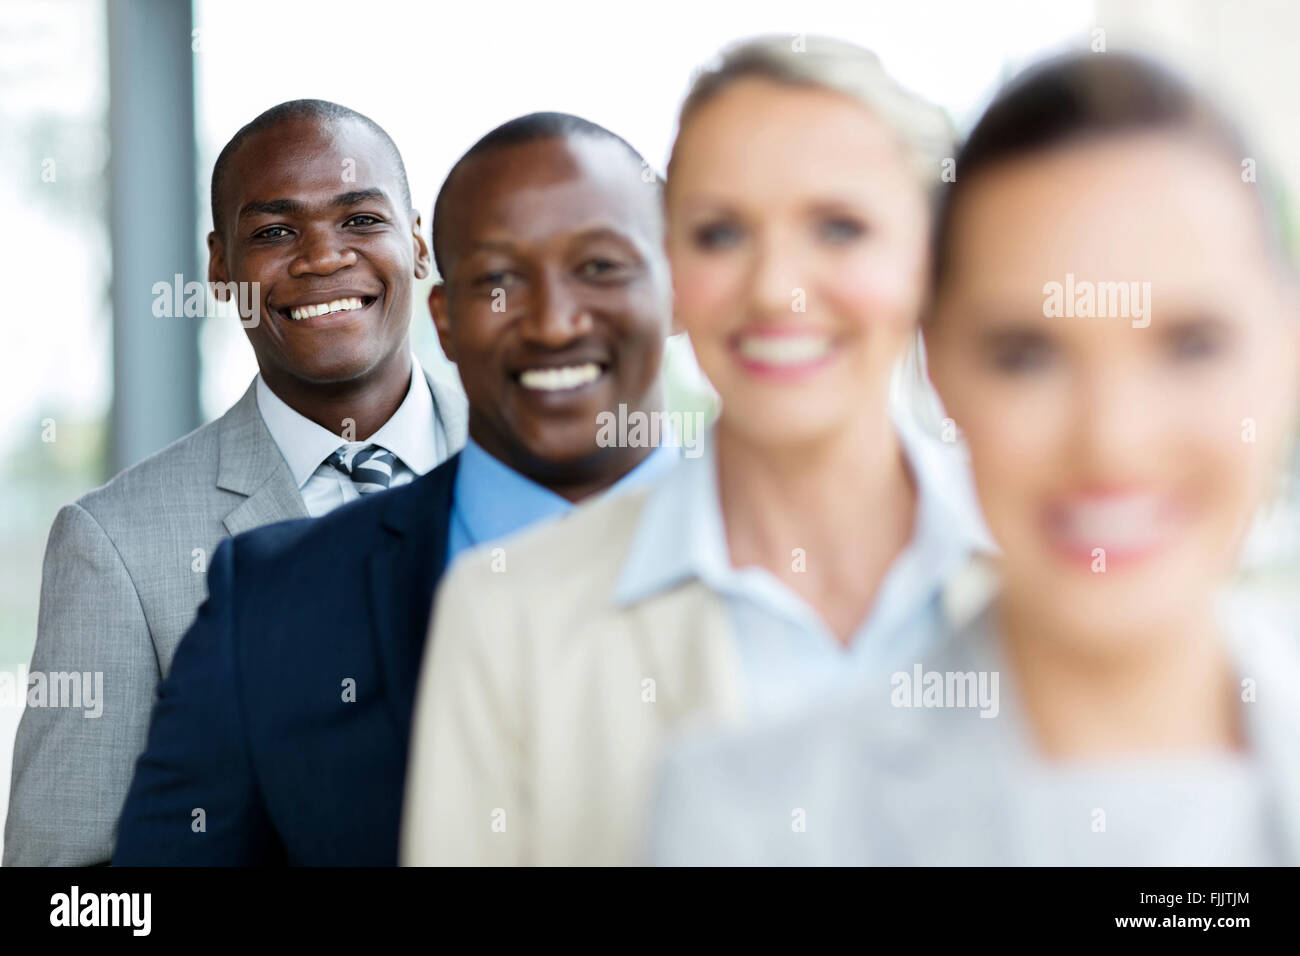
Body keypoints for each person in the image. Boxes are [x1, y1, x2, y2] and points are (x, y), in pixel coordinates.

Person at [649, 52, 1300, 866]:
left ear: (1286, 352)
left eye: (1190, 345)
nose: (1112, 440)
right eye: (1026, 355)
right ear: (939, 367)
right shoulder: (740, 822)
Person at [401, 35, 990, 866]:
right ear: (672, 269)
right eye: (721, 234)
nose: (775, 287)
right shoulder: (506, 617)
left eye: (838, 227)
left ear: (929, 259)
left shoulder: (1072, 565)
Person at [112, 113, 678, 865]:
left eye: (602, 266)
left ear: (682, 290)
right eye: (500, 280)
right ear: (445, 320)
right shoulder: (268, 608)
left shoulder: (833, 565)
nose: (553, 322)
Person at [5, 99, 466, 866]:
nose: (323, 258)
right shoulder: (116, 545)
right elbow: (67, 885)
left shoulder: (536, 472)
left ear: (416, 243)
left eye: (360, 220)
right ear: (220, 268)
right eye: (275, 232)